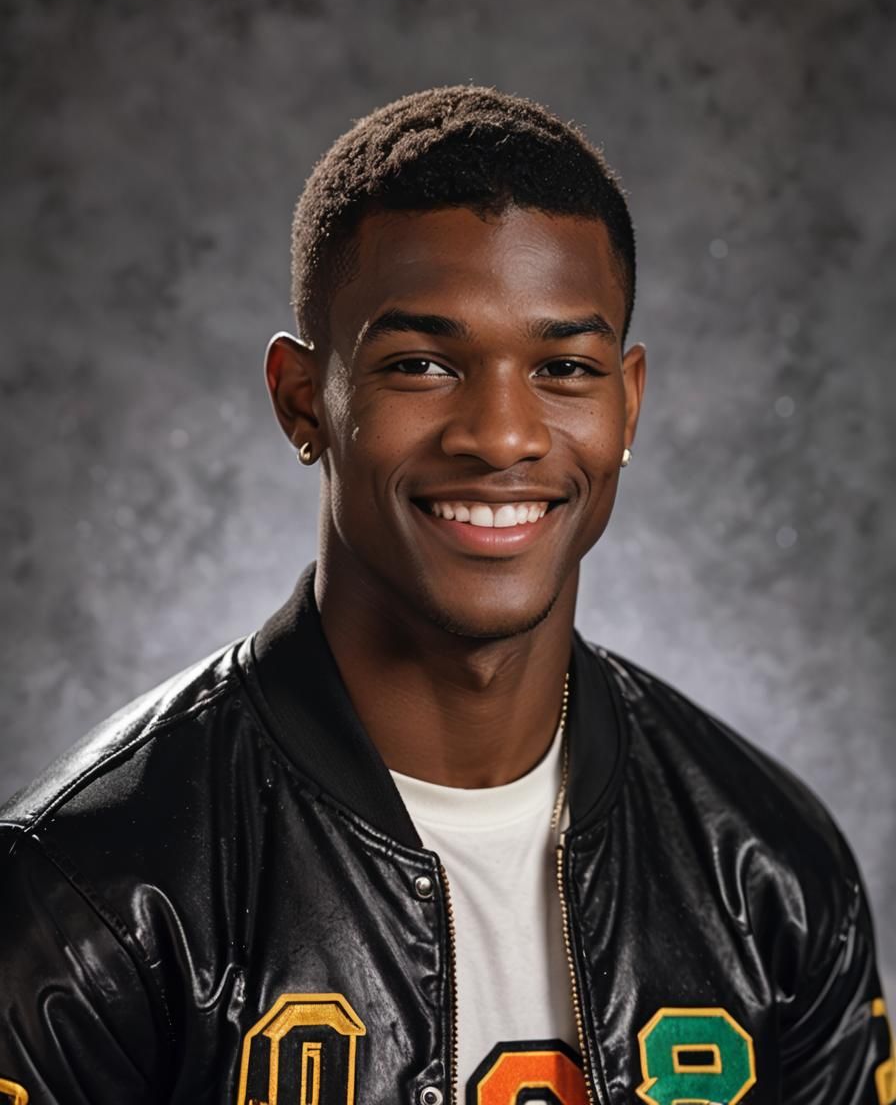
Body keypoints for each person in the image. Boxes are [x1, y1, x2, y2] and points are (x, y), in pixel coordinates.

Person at [0, 86, 891, 1105]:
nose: (502, 435)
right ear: (305, 401)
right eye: (420, 364)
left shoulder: (770, 867)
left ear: (626, 402)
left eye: (562, 365)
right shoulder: (85, 893)